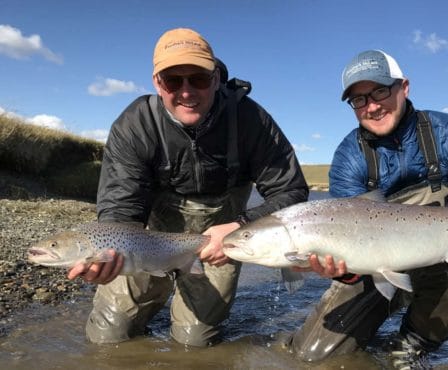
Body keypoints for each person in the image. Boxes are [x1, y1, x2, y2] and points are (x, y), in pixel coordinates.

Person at [66, 28, 308, 346]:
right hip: (149, 240)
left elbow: (291, 193)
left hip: (221, 239)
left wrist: (241, 226)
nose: (186, 91)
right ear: (156, 82)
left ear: (216, 78)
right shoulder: (137, 124)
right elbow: (120, 207)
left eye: (198, 79)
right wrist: (109, 258)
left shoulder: (251, 122)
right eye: (173, 81)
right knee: (109, 334)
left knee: (195, 343)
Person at [290, 50, 448, 369]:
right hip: (374, 263)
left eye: (379, 91)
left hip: (441, 252)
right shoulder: (349, 156)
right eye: (359, 100)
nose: (371, 106)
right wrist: (342, 271)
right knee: (311, 356)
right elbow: (346, 240)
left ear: (404, 87)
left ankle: (415, 343)